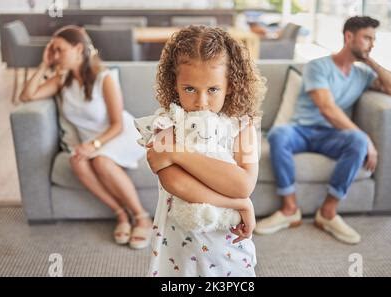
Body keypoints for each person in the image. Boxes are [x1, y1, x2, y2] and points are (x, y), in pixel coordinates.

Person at [255, 16, 391, 244]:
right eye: (366, 38)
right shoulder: (318, 66)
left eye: (373, 39)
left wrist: (370, 61)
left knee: (355, 143)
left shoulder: (363, 75)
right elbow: (326, 108)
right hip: (300, 130)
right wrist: (365, 136)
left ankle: (327, 213)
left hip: (330, 136)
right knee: (278, 135)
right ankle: (289, 210)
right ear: (348, 37)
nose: (371, 43)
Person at [143, 25, 266, 276]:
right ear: (174, 84)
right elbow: (177, 184)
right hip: (178, 249)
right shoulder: (165, 125)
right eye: (190, 89)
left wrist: (176, 153)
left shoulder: (244, 126)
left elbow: (243, 185)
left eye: (212, 89)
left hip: (228, 245)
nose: (201, 101)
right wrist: (241, 205)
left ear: (230, 85)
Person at [19, 25, 152, 249]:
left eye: (60, 50)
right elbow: (27, 95)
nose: (56, 55)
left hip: (121, 134)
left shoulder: (104, 77)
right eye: (53, 51)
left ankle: (141, 217)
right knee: (77, 162)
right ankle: (120, 214)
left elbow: (118, 124)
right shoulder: (62, 80)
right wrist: (45, 64)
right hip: (93, 141)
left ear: (78, 48)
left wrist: (94, 145)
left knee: (100, 161)